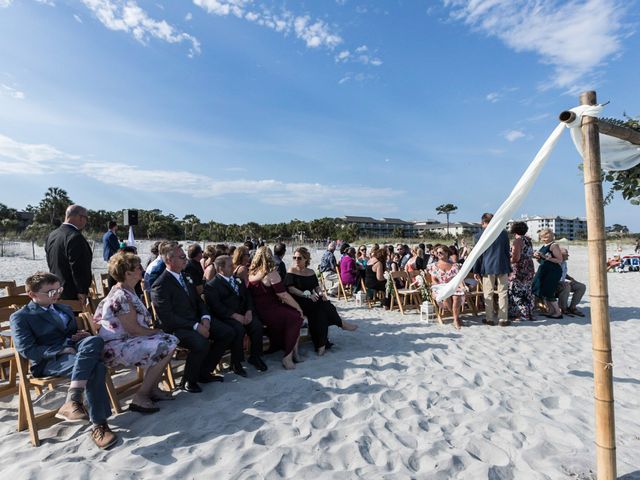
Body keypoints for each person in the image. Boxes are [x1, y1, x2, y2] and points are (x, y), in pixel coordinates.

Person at [10, 272, 116, 449]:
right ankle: (99, 425)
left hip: (75, 352)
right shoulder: (21, 317)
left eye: (58, 289)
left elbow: (69, 335)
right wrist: (60, 350)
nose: (57, 294)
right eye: (51, 292)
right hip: (49, 361)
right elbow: (27, 350)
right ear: (32, 295)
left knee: (95, 340)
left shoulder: (64, 308)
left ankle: (73, 399)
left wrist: (81, 335)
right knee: (96, 368)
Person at [94, 252, 178, 412]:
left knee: (169, 340)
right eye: (138, 267)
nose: (142, 269)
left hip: (128, 340)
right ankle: (141, 395)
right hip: (117, 346)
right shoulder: (120, 295)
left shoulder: (129, 290)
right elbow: (133, 329)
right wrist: (156, 331)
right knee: (167, 343)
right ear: (128, 273)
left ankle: (152, 388)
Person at [151, 242, 234, 393]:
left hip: (196, 320)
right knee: (200, 342)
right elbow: (168, 317)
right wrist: (196, 326)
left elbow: (198, 301)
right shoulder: (160, 285)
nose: (185, 260)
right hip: (177, 327)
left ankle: (204, 372)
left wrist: (206, 318)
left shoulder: (186, 277)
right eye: (182, 257)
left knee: (227, 332)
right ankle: (189, 380)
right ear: (169, 260)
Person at [286, 247, 357, 355]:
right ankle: (340, 325)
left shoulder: (310, 272)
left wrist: (320, 293)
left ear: (306, 259)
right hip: (298, 301)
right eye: (294, 257)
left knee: (321, 312)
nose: (296, 260)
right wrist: (307, 295)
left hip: (311, 299)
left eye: (299, 258)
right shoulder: (292, 270)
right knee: (324, 307)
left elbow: (316, 287)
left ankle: (321, 345)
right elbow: (291, 289)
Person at [204, 255, 268, 374]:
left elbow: (248, 296)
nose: (233, 267)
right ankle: (236, 363)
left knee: (256, 325)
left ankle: (255, 356)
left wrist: (249, 311)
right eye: (230, 266)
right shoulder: (212, 285)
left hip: (243, 313)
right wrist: (234, 315)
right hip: (226, 317)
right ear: (221, 269)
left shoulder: (238, 279)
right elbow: (216, 307)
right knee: (238, 329)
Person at [248, 246, 303, 370]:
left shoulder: (251, 272)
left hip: (258, 311)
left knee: (289, 315)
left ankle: (280, 346)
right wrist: (298, 307)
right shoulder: (270, 273)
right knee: (296, 317)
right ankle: (288, 356)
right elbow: (283, 295)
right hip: (269, 310)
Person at [45, 204, 93, 303]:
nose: (86, 221)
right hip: (71, 293)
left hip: (54, 289)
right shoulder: (75, 237)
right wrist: (82, 290)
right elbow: (79, 267)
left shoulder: (52, 235)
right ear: (80, 217)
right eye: (85, 218)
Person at [472, 213, 511, 326]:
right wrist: (508, 266)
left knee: (488, 293)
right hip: (503, 265)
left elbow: (477, 255)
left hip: (487, 266)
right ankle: (503, 319)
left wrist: (476, 270)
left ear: (482, 222)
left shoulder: (478, 236)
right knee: (503, 293)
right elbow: (506, 251)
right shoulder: (503, 233)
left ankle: (489, 318)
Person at [429, 245, 466, 330]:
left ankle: (455, 320)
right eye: (437, 253)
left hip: (453, 286)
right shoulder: (434, 266)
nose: (438, 254)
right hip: (440, 287)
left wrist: (463, 286)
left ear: (447, 253)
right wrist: (437, 288)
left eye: (441, 252)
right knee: (446, 297)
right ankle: (456, 317)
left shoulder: (454, 265)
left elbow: (459, 279)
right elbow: (434, 280)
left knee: (457, 296)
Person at [531, 228, 564, 319]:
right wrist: (538, 257)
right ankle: (551, 311)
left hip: (552, 271)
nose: (543, 239)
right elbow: (543, 261)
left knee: (549, 291)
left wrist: (545, 257)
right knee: (540, 289)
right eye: (542, 237)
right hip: (544, 270)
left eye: (544, 237)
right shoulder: (545, 245)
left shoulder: (554, 245)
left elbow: (559, 260)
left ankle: (557, 312)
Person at [507, 221, 535, 322]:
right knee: (527, 291)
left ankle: (521, 314)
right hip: (529, 267)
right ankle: (528, 313)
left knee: (517, 291)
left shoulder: (517, 241)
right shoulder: (528, 240)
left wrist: (507, 260)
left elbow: (516, 258)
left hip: (519, 268)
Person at [557, 248, 586, 317]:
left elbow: (563, 273)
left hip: (563, 282)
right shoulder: (555, 263)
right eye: (566, 254)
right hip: (555, 284)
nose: (568, 256)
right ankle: (563, 308)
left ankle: (572, 307)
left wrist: (570, 278)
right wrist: (565, 282)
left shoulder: (564, 263)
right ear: (561, 255)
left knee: (581, 286)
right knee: (567, 286)